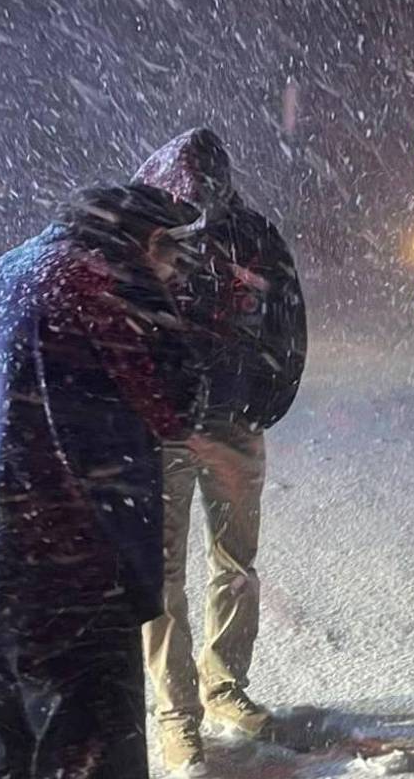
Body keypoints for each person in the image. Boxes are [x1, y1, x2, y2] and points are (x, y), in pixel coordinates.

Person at [0, 183, 208, 779]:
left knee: (7, 748)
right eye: (172, 258)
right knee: (91, 754)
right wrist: (162, 303)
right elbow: (177, 404)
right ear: (150, 241)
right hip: (75, 573)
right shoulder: (101, 284)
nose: (175, 272)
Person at [132, 128, 307, 774]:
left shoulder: (253, 235)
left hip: (234, 423)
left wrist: (271, 398)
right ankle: (177, 715)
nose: (199, 202)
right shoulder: (144, 238)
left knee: (236, 563)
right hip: (163, 430)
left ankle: (225, 687)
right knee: (163, 574)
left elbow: (288, 319)